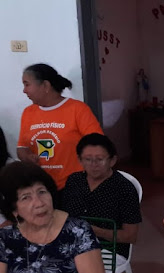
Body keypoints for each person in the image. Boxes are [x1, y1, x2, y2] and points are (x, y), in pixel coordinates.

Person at [17, 63, 103, 191]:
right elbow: (22, 148)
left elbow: (98, 144)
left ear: (45, 85)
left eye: (27, 84)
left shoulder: (78, 109)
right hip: (41, 186)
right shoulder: (28, 112)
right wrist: (27, 156)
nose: (24, 90)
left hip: (75, 186)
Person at [61, 133, 142, 260]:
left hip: (108, 250)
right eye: (88, 159)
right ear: (80, 160)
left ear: (112, 161)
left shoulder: (124, 188)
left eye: (99, 159)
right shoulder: (74, 181)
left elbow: (130, 236)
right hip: (71, 245)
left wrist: (94, 230)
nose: (94, 164)